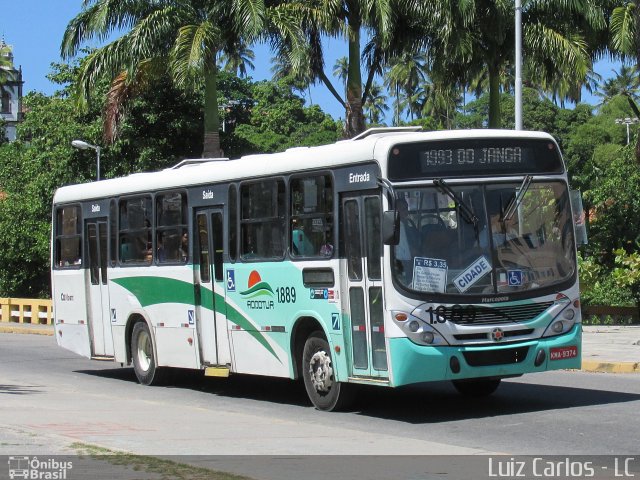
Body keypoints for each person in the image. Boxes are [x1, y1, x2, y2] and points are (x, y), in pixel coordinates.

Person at [395, 198, 419, 284]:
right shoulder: (394, 227)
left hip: (410, 261)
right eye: (402, 209)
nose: (406, 212)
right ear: (396, 211)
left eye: (406, 208)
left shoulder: (406, 224)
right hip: (402, 263)